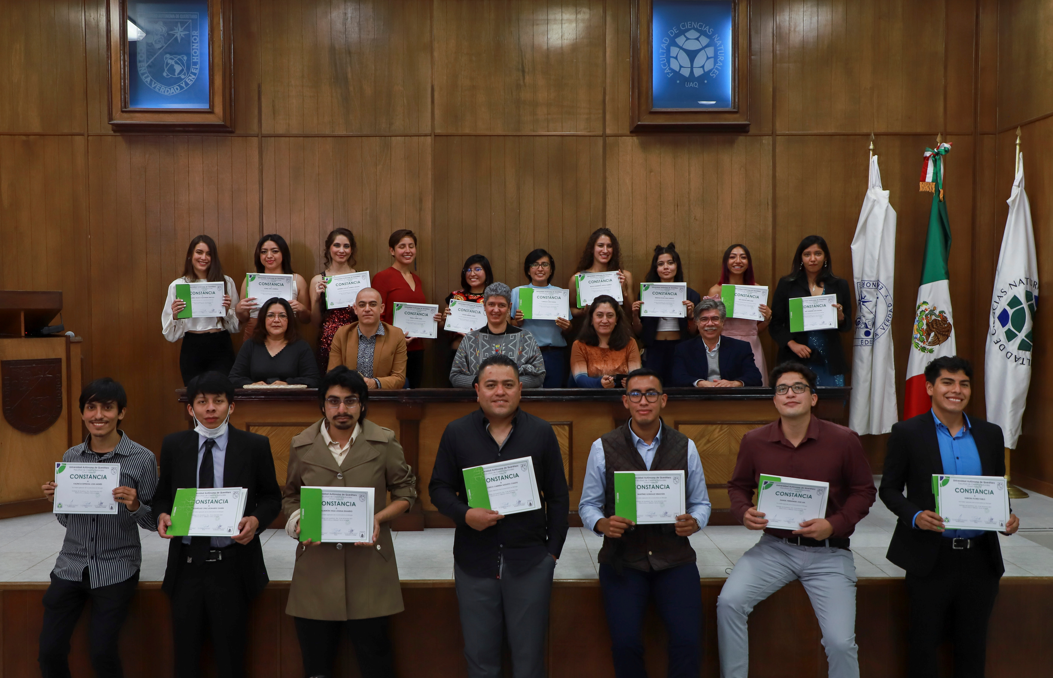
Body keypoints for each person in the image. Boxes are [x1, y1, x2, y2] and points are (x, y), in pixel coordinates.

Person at [717, 362, 876, 678]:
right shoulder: (754, 441)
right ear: (774, 400)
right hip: (774, 549)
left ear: (813, 398)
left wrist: (835, 524)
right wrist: (743, 511)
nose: (790, 394)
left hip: (829, 553)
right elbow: (737, 486)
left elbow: (864, 492)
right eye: (782, 389)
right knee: (728, 603)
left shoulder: (843, 439)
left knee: (840, 642)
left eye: (799, 388)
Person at [429, 355, 570, 678]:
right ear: (477, 390)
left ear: (520, 389)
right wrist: (465, 515)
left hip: (530, 560)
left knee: (529, 658)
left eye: (508, 385)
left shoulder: (541, 433)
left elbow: (559, 496)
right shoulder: (456, 432)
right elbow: (438, 488)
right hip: (474, 560)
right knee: (480, 657)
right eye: (491, 385)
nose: (500, 392)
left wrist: (552, 552)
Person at [879, 356, 1019, 678]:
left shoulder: (990, 434)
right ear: (930, 387)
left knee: (973, 646)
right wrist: (914, 515)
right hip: (930, 557)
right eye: (947, 382)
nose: (957, 390)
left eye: (964, 384)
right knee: (923, 645)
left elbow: (996, 490)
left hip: (980, 560)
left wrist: (1007, 517)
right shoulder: (907, 433)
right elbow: (888, 490)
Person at [283, 366, 417, 678]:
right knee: (316, 666)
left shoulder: (384, 442)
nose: (342, 409)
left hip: (369, 566)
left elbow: (406, 493)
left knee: (376, 662)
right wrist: (297, 522)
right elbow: (291, 496)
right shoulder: (301, 445)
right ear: (322, 405)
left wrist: (378, 518)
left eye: (351, 401)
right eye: (333, 401)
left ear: (363, 404)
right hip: (316, 566)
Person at [577, 368, 712, 678]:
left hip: (674, 558)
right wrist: (601, 524)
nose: (643, 401)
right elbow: (588, 505)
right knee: (625, 644)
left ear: (663, 400)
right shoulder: (603, 446)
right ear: (625, 401)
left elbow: (702, 503)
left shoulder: (685, 446)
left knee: (688, 642)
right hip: (623, 559)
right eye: (635, 394)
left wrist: (696, 522)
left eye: (651, 394)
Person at [154, 372, 281, 678]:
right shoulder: (174, 445)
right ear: (190, 409)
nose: (210, 408)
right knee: (185, 658)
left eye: (218, 401)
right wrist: (162, 515)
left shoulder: (254, 445)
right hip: (187, 565)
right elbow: (161, 498)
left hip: (232, 565)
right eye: (202, 402)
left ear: (231, 406)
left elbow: (272, 498)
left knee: (231, 657)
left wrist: (256, 520)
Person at [38, 378, 157, 678]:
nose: (98, 415)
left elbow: (155, 521)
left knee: (102, 653)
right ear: (82, 414)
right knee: (49, 652)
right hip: (71, 565)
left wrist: (134, 505)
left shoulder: (142, 459)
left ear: (121, 413)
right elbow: (67, 521)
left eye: (107, 407)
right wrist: (59, 501)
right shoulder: (71, 458)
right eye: (91, 408)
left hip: (116, 566)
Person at [769, 236, 852, 387]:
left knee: (831, 405)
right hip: (795, 356)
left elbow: (847, 326)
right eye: (807, 254)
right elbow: (775, 324)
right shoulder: (787, 284)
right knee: (796, 400)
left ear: (825, 256)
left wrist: (840, 317)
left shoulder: (839, 284)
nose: (812, 259)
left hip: (830, 356)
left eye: (818, 254)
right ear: (801, 258)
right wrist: (792, 343)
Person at [162, 235, 239, 386]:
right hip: (192, 346)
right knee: (195, 395)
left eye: (209, 253)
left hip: (220, 345)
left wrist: (228, 311)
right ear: (190, 255)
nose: (204, 257)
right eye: (199, 252)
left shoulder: (226, 282)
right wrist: (176, 316)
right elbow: (170, 336)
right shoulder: (178, 286)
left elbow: (236, 327)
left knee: (221, 393)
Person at [372, 229, 443, 388]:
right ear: (392, 250)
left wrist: (433, 320)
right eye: (402, 246)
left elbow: (418, 312)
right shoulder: (382, 277)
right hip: (392, 349)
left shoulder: (417, 279)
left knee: (414, 397)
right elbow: (376, 316)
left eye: (411, 246)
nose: (407, 250)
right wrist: (394, 340)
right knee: (394, 397)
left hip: (417, 348)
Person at [450, 282, 546, 389]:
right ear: (484, 306)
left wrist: (507, 383)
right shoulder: (470, 339)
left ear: (509, 307)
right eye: (491, 304)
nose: (496, 310)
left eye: (501, 305)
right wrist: (482, 382)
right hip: (479, 402)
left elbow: (539, 376)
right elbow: (455, 376)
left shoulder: (526, 337)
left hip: (520, 402)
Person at [631, 244, 700, 386]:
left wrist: (691, 316)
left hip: (680, 348)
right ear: (656, 269)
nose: (666, 267)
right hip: (654, 349)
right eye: (661, 264)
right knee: (652, 388)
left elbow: (693, 333)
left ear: (677, 266)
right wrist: (635, 316)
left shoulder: (691, 295)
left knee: (679, 389)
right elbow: (639, 333)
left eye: (670, 263)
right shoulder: (646, 293)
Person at [706, 243, 771, 386]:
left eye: (743, 257)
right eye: (732, 257)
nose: (738, 261)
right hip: (724, 344)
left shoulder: (757, 289)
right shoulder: (716, 290)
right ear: (726, 262)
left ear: (748, 263)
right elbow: (708, 324)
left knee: (752, 386)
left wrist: (767, 319)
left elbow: (757, 328)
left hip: (752, 344)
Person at [510, 249, 573, 388]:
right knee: (527, 397)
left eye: (545, 264)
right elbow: (509, 326)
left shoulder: (559, 294)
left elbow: (568, 329)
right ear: (528, 270)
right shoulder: (518, 292)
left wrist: (567, 327)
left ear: (551, 270)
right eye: (535, 264)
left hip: (554, 354)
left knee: (554, 400)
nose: (540, 268)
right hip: (526, 354)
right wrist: (518, 322)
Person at [228, 297, 320, 388]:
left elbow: (313, 380)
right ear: (263, 319)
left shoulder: (301, 346)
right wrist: (252, 384)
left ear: (289, 320)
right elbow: (233, 378)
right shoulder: (250, 345)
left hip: (290, 400)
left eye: (282, 315)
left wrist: (288, 383)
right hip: (256, 400)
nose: (276, 320)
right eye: (270, 315)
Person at [328, 288, 409, 389]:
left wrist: (375, 383)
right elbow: (333, 374)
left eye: (373, 304)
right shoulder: (342, 334)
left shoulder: (396, 335)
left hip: (383, 397)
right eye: (362, 305)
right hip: (351, 395)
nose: (367, 309)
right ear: (355, 309)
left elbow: (399, 378)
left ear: (381, 308)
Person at [671, 299, 762, 387]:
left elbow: (755, 377)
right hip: (697, 399)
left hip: (730, 398)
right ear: (697, 323)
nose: (710, 324)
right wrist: (700, 383)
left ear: (723, 322)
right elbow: (677, 377)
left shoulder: (741, 347)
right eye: (704, 319)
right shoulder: (684, 349)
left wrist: (735, 383)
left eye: (715, 318)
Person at [235, 234, 311, 336]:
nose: (269, 256)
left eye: (275, 251)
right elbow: (244, 318)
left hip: (287, 334)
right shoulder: (250, 280)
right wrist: (239, 311)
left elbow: (306, 320)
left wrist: (302, 309)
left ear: (283, 253)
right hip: (255, 334)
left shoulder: (297, 280)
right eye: (264, 252)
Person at [310, 228, 359, 371]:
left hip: (355, 339)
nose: (341, 250)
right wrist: (316, 300)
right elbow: (314, 323)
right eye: (337, 245)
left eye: (346, 246)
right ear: (328, 248)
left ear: (351, 249)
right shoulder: (317, 280)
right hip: (327, 341)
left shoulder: (360, 279)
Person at [570, 295, 641, 388]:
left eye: (610, 315)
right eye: (599, 315)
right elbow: (580, 379)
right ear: (591, 319)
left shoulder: (630, 343)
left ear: (617, 319)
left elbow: (636, 376)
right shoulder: (579, 345)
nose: (604, 320)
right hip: (589, 398)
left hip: (622, 398)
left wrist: (631, 381)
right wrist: (600, 383)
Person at [569, 227, 634, 318]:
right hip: (589, 329)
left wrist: (624, 292)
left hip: (617, 328)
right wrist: (581, 312)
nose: (605, 250)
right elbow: (570, 310)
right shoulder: (578, 278)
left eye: (609, 246)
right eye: (600, 245)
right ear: (592, 249)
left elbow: (631, 313)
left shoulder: (625, 276)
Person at [444, 254, 494, 354]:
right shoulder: (456, 296)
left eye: (477, 269)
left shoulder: (494, 297)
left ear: (487, 272)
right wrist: (444, 318)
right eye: (468, 270)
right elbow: (442, 326)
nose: (472, 274)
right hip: (458, 350)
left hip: (486, 350)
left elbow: (505, 324)